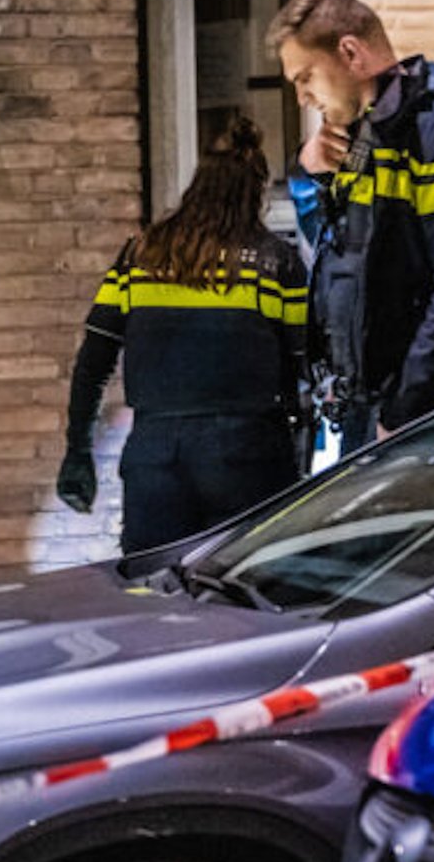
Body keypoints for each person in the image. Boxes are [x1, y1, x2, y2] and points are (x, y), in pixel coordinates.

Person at [266, 0, 434, 442]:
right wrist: (309, 172)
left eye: (305, 78)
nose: (302, 98)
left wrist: (406, 410)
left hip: (429, 417)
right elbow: (340, 256)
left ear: (350, 52)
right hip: (372, 410)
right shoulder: (369, 138)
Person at [56, 119, 307, 552]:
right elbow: (302, 363)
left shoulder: (139, 256)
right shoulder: (276, 263)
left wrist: (78, 450)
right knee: (245, 586)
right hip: (248, 453)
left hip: (156, 456)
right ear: (257, 193)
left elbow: (94, 361)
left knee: (154, 582)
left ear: (196, 187)